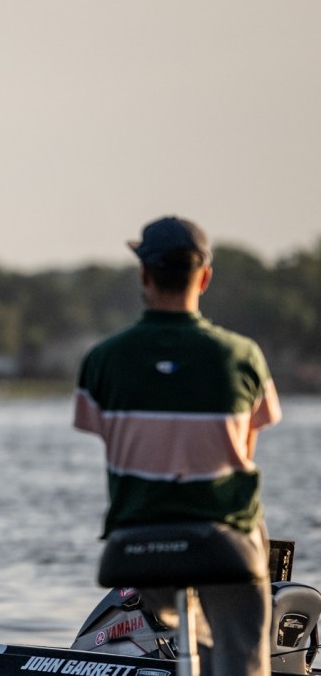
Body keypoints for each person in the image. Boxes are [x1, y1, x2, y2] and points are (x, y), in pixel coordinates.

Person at [73, 216, 282, 674]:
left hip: (137, 546)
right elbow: (245, 450)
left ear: (144, 276)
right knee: (242, 615)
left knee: (190, 603)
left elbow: (105, 434)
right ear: (204, 278)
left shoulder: (102, 360)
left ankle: (189, 642)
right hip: (221, 548)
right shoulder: (243, 356)